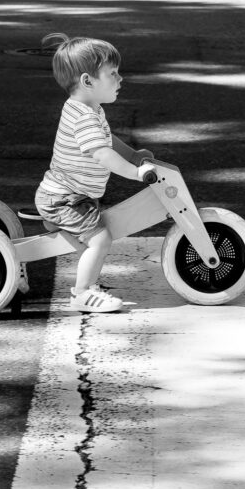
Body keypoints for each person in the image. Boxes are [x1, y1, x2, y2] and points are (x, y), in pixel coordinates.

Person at [35, 33, 153, 313]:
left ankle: (86, 283)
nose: (120, 78)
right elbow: (101, 154)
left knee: (95, 235)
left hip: (69, 195)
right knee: (101, 239)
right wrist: (136, 174)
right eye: (112, 73)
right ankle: (82, 293)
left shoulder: (89, 109)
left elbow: (107, 141)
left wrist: (134, 157)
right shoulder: (84, 116)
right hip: (66, 199)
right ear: (88, 81)